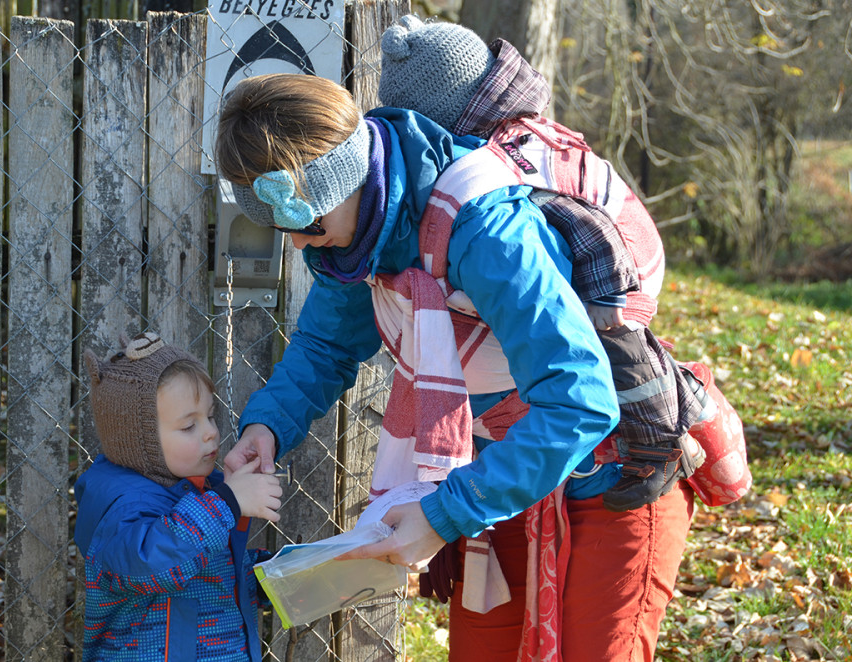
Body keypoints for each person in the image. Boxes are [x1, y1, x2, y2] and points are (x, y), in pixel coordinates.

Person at [214, 72, 680, 662]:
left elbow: (580, 400)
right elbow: (326, 347)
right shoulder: (361, 240)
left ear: (351, 178)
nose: (301, 248)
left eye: (306, 226)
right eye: (282, 232)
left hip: (609, 475)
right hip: (505, 477)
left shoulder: (484, 228)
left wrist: (443, 514)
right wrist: (268, 426)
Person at [377, 14, 715, 514]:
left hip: (614, 276)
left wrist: (606, 300)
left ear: (439, 121)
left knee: (608, 343)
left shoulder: (502, 166)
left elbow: (591, 229)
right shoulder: (483, 157)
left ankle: (658, 439)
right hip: (583, 279)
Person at [73, 331, 282, 662]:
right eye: (189, 426)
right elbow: (150, 566)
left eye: (210, 416)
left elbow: (206, 575)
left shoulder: (202, 493)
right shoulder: (120, 508)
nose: (212, 431)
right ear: (139, 441)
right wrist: (227, 503)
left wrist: (269, 574)